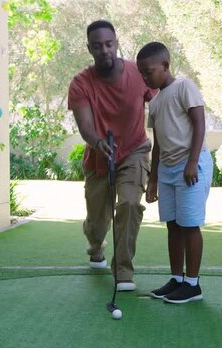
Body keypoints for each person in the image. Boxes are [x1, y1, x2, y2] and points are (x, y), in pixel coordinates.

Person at [68, 20, 155, 292]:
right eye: (97, 46)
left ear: (116, 43)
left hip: (134, 150)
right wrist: (96, 142)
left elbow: (161, 103)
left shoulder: (138, 74)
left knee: (129, 204)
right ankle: (95, 246)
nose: (104, 50)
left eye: (108, 44)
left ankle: (123, 271)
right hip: (99, 155)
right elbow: (85, 127)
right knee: (98, 221)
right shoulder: (81, 83)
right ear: (89, 49)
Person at [136, 42, 213, 304]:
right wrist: (153, 178)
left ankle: (193, 284)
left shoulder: (184, 87)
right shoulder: (155, 102)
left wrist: (192, 162)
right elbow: (158, 143)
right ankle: (177, 279)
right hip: (167, 169)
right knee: (173, 225)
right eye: (142, 74)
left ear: (165, 66)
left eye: (149, 71)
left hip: (190, 164)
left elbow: (199, 123)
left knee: (190, 225)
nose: (145, 78)